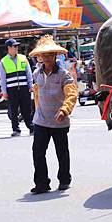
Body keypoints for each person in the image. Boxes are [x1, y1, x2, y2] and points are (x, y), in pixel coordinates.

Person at [28, 36, 77, 194]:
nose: (47, 58)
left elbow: (71, 95)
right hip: (41, 120)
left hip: (59, 122)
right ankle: (42, 183)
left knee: (62, 152)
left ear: (55, 56)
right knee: (38, 152)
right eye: (44, 55)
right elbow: (36, 94)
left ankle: (64, 179)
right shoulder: (36, 74)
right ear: (40, 57)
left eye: (50, 54)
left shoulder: (64, 75)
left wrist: (64, 110)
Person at [0, 38, 34, 137]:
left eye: (17, 46)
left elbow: (29, 73)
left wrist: (30, 85)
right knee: (13, 111)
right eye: (14, 46)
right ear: (9, 48)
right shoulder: (3, 61)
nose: (16, 48)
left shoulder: (23, 58)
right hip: (11, 90)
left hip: (24, 88)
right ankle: (16, 129)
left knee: (27, 109)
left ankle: (31, 127)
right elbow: (3, 78)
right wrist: (4, 92)